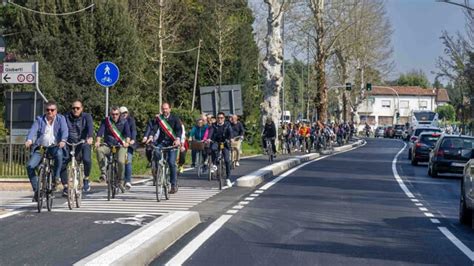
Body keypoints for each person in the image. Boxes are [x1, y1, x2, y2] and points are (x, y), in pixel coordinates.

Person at [25, 101, 68, 201]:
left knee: (59, 154)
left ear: (56, 111)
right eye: (47, 110)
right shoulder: (40, 119)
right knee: (30, 166)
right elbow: (33, 130)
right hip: (41, 148)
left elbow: (64, 130)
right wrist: (29, 139)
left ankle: (56, 178)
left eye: (52, 110)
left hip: (54, 146)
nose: (50, 112)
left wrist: (63, 140)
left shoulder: (61, 119)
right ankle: (37, 191)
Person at [144, 103, 182, 194]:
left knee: (172, 163)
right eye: (163, 109)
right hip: (161, 142)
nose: (165, 111)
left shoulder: (175, 118)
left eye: (166, 109)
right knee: (155, 151)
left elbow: (179, 130)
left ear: (170, 109)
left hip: (172, 143)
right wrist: (151, 136)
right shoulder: (159, 119)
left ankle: (173, 184)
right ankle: (157, 168)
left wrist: (177, 139)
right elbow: (154, 128)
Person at [60, 100, 94, 193]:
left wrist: (90, 137)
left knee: (87, 160)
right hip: (69, 143)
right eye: (73, 108)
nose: (75, 110)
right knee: (63, 161)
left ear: (81, 109)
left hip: (83, 142)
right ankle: (66, 186)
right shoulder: (66, 117)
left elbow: (90, 127)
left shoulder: (87, 116)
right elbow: (62, 128)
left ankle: (86, 178)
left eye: (78, 108)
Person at [95, 106, 130, 192]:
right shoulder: (106, 121)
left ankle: (121, 180)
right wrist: (98, 141)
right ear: (110, 114)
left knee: (121, 161)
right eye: (113, 114)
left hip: (120, 145)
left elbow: (128, 134)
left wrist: (127, 143)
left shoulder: (124, 121)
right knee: (99, 150)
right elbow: (100, 132)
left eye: (116, 114)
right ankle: (103, 172)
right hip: (108, 144)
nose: (114, 116)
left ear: (119, 114)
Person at [208, 112, 233, 187]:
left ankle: (228, 179)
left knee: (227, 160)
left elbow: (230, 132)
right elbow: (211, 132)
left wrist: (231, 138)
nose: (220, 119)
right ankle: (214, 164)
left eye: (221, 118)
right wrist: (209, 138)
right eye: (218, 118)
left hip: (225, 143)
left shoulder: (227, 125)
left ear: (224, 118)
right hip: (216, 142)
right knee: (212, 149)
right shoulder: (214, 125)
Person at [120, 106, 137, 190]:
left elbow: (133, 130)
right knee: (115, 160)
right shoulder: (117, 120)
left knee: (128, 161)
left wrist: (133, 139)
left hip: (128, 144)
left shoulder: (131, 120)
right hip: (119, 143)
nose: (124, 114)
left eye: (125, 112)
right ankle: (114, 178)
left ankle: (128, 181)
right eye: (122, 113)